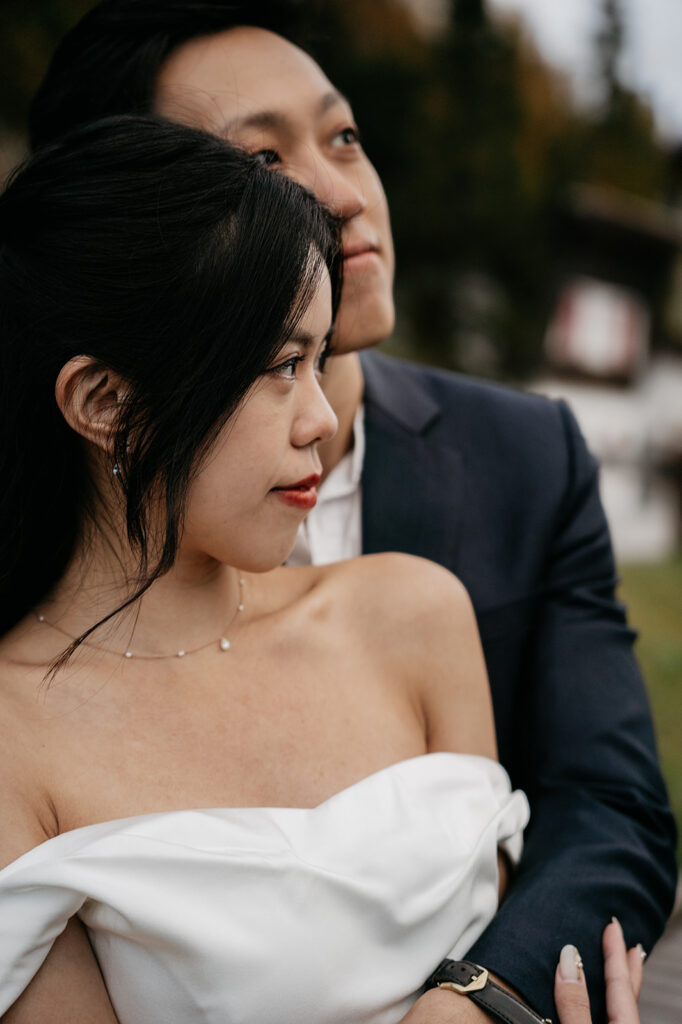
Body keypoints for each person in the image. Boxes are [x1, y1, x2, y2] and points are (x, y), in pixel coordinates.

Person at [26, 2, 679, 1021]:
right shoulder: (29, 721)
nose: (338, 195)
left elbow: (612, 806)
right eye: (261, 161)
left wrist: (487, 998)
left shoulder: (506, 482)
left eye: (342, 136)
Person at [0, 114, 530, 1023]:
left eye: (319, 359)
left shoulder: (415, 614)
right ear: (106, 402)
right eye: (282, 365)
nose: (322, 418)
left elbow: (517, 936)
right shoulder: (15, 741)